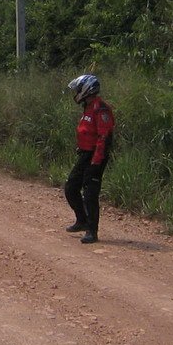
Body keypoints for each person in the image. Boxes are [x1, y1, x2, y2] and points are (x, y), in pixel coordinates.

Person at [64, 74, 115, 244]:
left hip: (96, 156)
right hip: (85, 154)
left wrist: (96, 160)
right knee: (71, 187)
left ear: (87, 90)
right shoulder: (88, 106)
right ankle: (82, 220)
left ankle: (92, 231)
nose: (76, 92)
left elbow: (104, 137)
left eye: (78, 89)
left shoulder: (101, 109)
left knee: (90, 193)